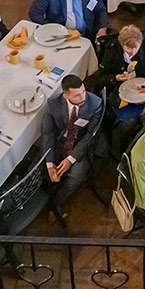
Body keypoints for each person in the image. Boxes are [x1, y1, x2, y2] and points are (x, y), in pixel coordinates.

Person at [41, 74, 104, 208]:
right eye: (77, 95)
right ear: (66, 95)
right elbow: (48, 133)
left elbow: (90, 135)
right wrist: (49, 163)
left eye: (83, 91)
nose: (83, 97)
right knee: (38, 168)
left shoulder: (95, 103)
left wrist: (71, 159)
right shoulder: (53, 105)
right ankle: (44, 197)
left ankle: (56, 203)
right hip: (60, 141)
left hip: (82, 144)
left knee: (76, 177)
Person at [90, 24, 145, 92]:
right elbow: (101, 78)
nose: (133, 52)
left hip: (141, 85)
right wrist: (115, 78)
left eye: (136, 48)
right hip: (119, 88)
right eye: (129, 48)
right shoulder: (111, 50)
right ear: (122, 45)